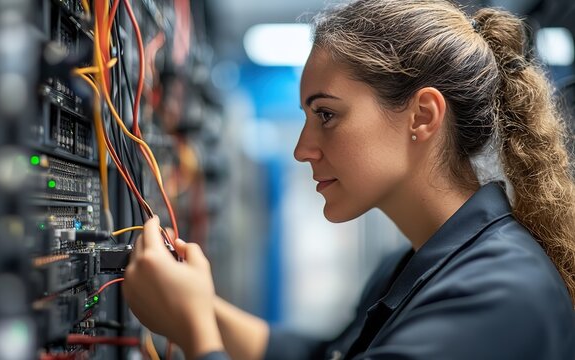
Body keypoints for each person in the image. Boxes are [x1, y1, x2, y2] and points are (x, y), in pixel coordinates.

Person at [121, 0, 575, 359]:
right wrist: (197, 307)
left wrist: (195, 331)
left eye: (326, 114)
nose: (302, 149)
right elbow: (325, 356)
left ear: (423, 116)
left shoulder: (498, 296)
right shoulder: (417, 264)